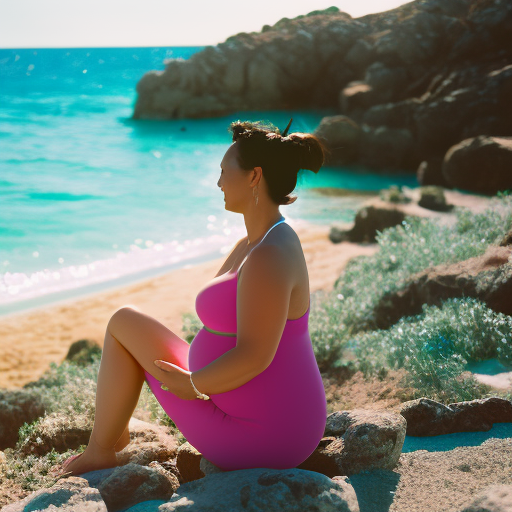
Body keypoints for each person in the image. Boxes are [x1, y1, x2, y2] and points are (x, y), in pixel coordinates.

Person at [57, 118, 328, 476]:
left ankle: (102, 450)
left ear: (253, 176)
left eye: (223, 171)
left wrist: (192, 384)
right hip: (241, 407)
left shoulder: (270, 254)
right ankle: (110, 439)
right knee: (124, 320)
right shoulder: (252, 244)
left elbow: (256, 355)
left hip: (265, 436)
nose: (218, 182)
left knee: (124, 328)